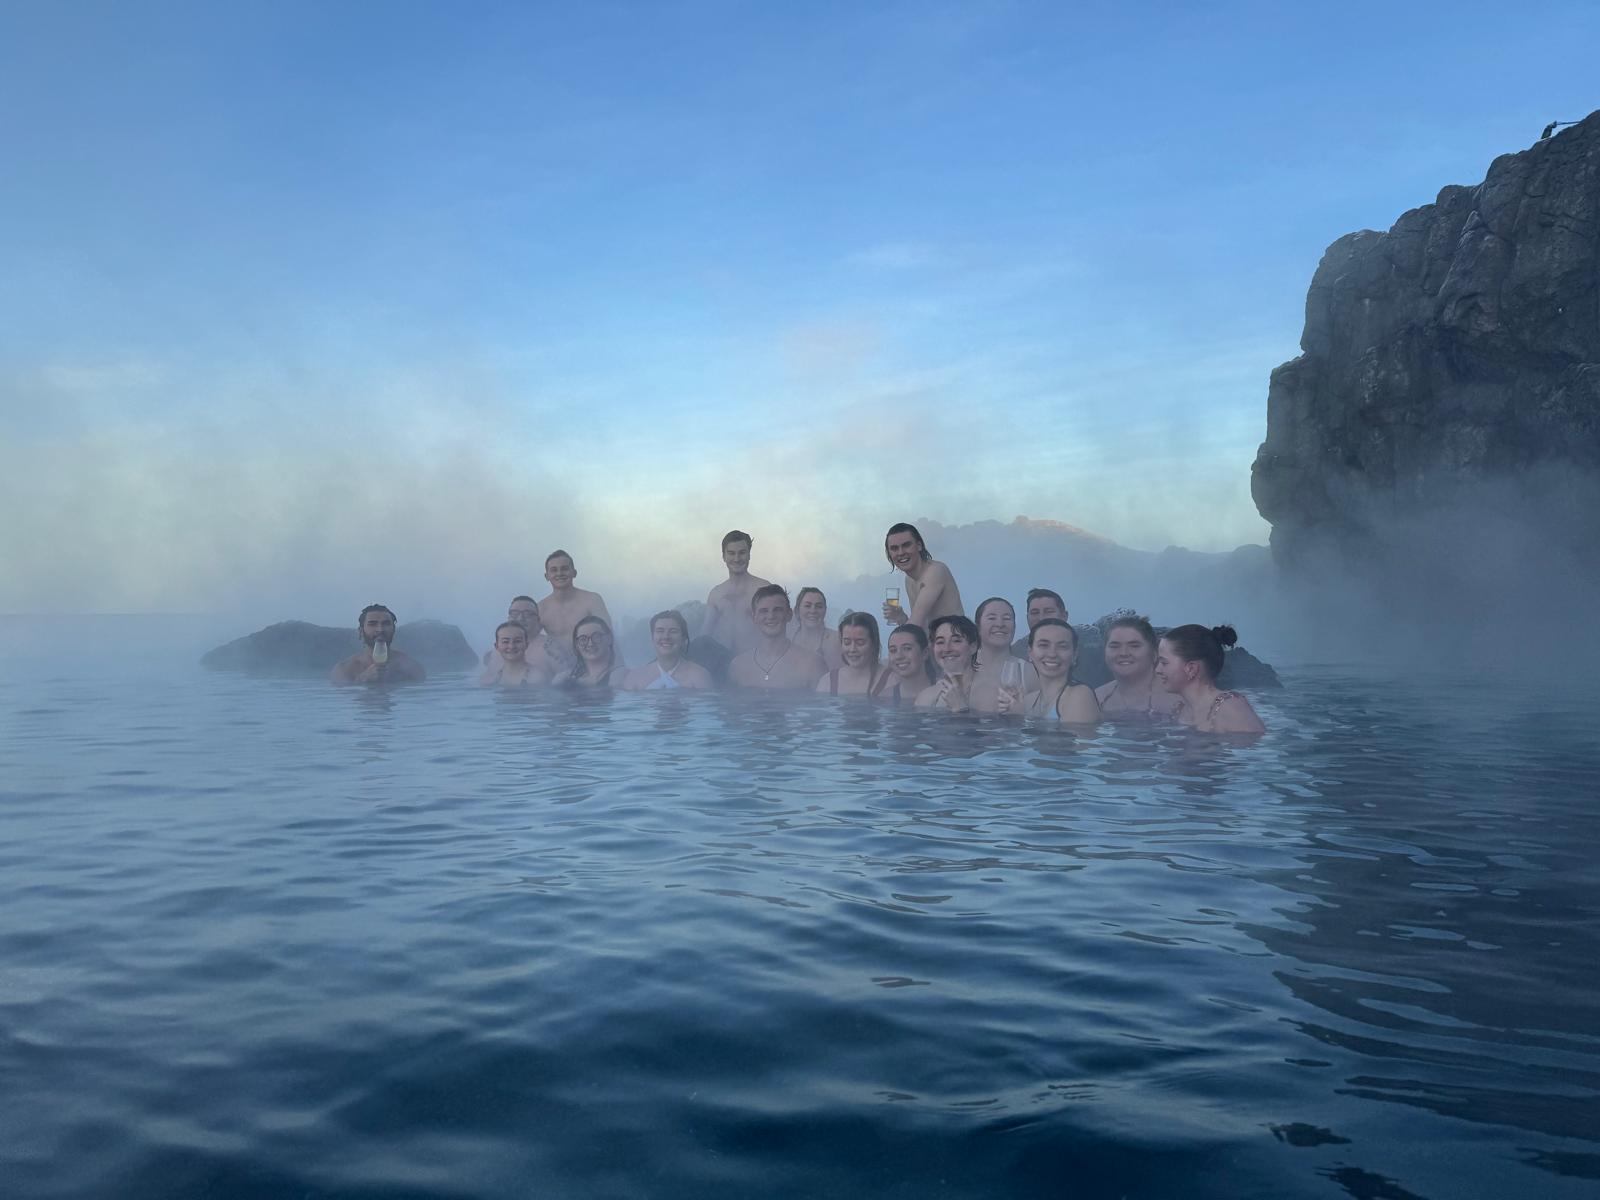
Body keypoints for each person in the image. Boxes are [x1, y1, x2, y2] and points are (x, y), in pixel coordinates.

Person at [1156, 624, 1266, 733]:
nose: (1157, 670)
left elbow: (1258, 748)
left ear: (1191, 669)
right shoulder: (1180, 709)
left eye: (1164, 663)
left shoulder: (1230, 707)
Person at [998, 618, 1100, 724]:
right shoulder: (1029, 700)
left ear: (1074, 655)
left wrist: (1022, 716)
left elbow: (1068, 740)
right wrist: (1014, 715)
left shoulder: (1080, 695)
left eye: (1062, 646)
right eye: (1043, 645)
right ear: (1030, 653)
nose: (1052, 654)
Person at [728, 585, 827, 690]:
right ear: (754, 618)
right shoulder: (738, 666)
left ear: (789, 614)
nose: (771, 616)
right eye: (764, 611)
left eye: (777, 610)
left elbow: (823, 705)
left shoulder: (813, 664)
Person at [881, 523, 965, 629]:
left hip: (954, 642)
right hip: (934, 643)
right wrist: (901, 618)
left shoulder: (935, 571)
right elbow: (920, 629)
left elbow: (915, 624)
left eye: (906, 545)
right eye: (894, 548)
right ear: (889, 554)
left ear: (919, 546)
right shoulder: (909, 580)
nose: (901, 552)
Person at [702, 530, 771, 658]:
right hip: (722, 664)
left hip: (756, 661)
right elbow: (705, 635)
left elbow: (779, 628)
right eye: (731, 553)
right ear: (723, 556)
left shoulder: (763, 589)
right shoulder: (716, 593)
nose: (737, 559)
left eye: (742, 553)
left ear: (749, 555)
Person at [1095, 615, 1180, 718]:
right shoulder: (1096, 699)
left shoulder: (1177, 697)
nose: (1124, 653)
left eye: (1134, 646)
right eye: (1114, 646)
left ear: (1154, 653)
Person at [536, 551, 612, 656]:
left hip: (594, 659)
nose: (559, 573)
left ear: (574, 573)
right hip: (562, 665)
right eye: (554, 570)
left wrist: (618, 666)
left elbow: (609, 636)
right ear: (547, 576)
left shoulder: (592, 600)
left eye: (564, 569)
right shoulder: (541, 608)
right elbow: (528, 640)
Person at [331, 605, 427, 686]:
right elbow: (343, 702)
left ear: (394, 630)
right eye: (372, 624)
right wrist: (361, 679)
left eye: (386, 624)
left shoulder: (410, 667)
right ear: (361, 631)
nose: (380, 629)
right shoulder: (344, 669)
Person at [621, 610, 713, 691]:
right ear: (652, 638)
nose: (666, 637)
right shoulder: (634, 678)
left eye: (673, 631)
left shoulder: (699, 676)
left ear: (683, 639)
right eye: (660, 631)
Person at [967, 596, 1030, 714]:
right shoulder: (964, 667)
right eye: (992, 618)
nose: (1000, 624)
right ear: (977, 627)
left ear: (1015, 626)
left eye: (1007, 618)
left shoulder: (1027, 671)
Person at [915, 614, 982, 712]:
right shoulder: (925, 698)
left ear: (973, 647)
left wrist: (961, 709)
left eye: (956, 641)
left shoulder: (992, 693)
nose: (947, 649)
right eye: (940, 642)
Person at [483, 595, 560, 677]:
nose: (520, 618)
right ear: (508, 618)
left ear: (538, 619)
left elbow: (565, 678)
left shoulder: (551, 648)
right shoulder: (497, 651)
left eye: (527, 614)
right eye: (514, 614)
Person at [815, 612, 881, 696]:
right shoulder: (827, 682)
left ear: (873, 643)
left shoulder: (891, 682)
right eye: (847, 642)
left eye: (860, 642)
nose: (852, 649)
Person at [872, 623, 938, 704]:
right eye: (893, 650)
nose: (899, 656)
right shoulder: (885, 698)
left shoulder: (944, 692)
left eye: (907, 648)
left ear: (925, 653)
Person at [477, 622, 550, 688]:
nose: (511, 646)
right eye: (505, 641)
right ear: (497, 646)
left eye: (517, 641)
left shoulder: (537, 678)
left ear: (526, 645)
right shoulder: (489, 680)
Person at [564, 615, 627, 688]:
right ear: (576, 645)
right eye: (583, 639)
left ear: (609, 639)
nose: (590, 644)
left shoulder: (618, 675)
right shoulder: (570, 678)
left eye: (596, 636)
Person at [791, 587, 842, 669]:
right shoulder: (788, 638)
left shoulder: (837, 640)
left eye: (819, 606)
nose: (813, 611)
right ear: (797, 610)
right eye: (807, 606)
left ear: (825, 610)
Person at [1010, 587, 1069, 657]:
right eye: (1035, 613)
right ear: (1027, 618)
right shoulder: (1015, 653)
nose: (1041, 618)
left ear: (1064, 616)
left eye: (1048, 612)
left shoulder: (1083, 647)